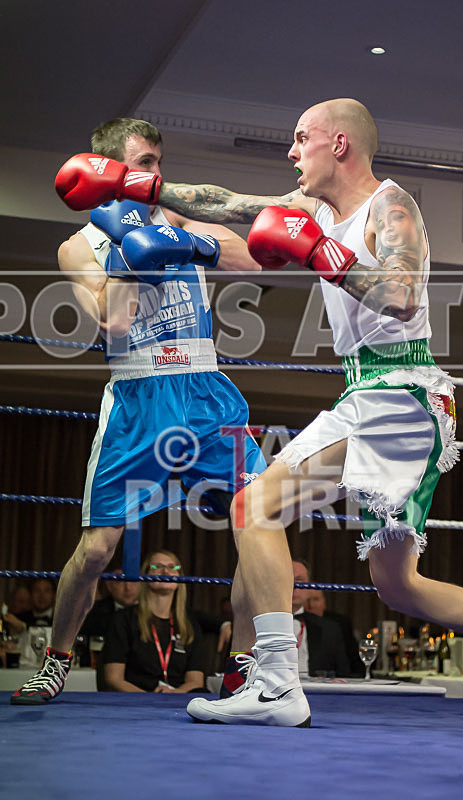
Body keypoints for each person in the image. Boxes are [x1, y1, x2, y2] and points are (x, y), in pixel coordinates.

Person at [52, 99, 463, 728]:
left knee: (252, 505)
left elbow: (401, 294)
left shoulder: (391, 205)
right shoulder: (316, 210)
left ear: (338, 144)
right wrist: (144, 187)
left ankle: (276, 682)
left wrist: (325, 256)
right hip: (370, 396)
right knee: (398, 586)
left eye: (300, 140)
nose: (291, 152)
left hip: (398, 390)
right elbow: (227, 202)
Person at [11, 118, 265, 705]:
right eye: (143, 163)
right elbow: (112, 320)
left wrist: (188, 241)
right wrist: (130, 242)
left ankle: (243, 665)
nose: (156, 173)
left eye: (157, 161)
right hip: (137, 394)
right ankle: (55, 661)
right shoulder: (77, 246)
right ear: (109, 172)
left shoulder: (173, 214)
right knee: (99, 546)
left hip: (203, 388)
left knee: (259, 519)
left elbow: (249, 260)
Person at [102, 550, 206, 693]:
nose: (166, 571)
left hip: (177, 704)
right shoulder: (123, 619)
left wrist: (172, 696)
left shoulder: (189, 624)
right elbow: (113, 678)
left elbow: (195, 681)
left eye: (173, 567)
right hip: (135, 704)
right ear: (144, 576)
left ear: (180, 578)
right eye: (157, 567)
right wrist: (150, 700)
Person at [290, 559, 350, 678]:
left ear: (309, 587)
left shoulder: (330, 630)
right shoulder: (258, 625)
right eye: (288, 579)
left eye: (299, 580)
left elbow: (344, 675)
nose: (294, 585)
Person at [305, 589, 365, 677]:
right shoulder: (295, 623)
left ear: (324, 603)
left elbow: (353, 661)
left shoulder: (339, 625)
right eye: (307, 600)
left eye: (316, 599)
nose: (311, 605)